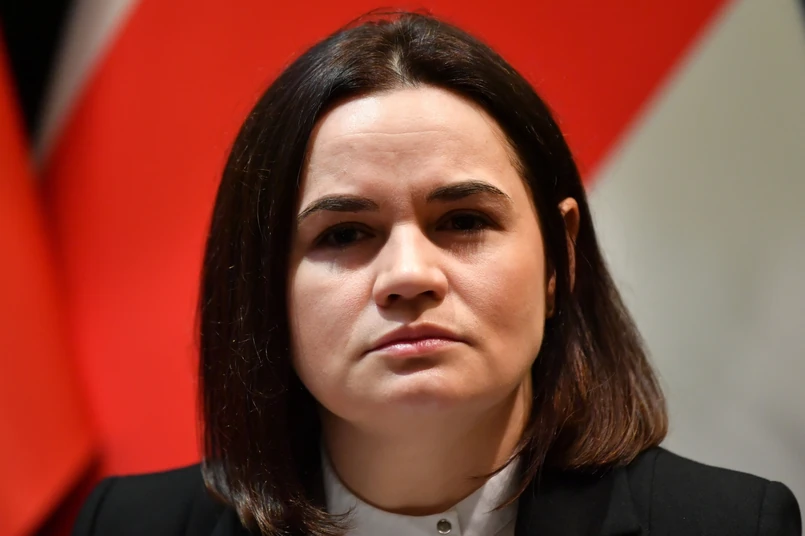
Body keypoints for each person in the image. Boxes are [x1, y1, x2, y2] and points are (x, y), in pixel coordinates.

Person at [72, 11, 801, 536]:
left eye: (464, 221)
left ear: (561, 258)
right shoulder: (129, 525)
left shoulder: (729, 523)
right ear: (264, 290)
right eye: (344, 233)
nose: (409, 274)